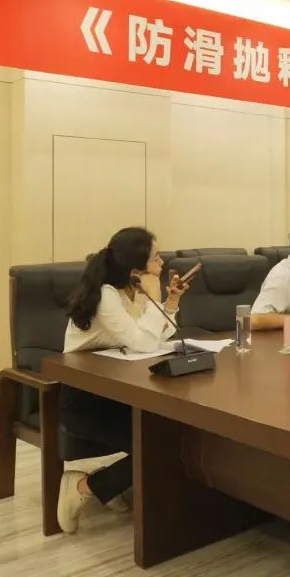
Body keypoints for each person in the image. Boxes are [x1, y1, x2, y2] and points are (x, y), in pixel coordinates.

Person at [58, 227, 191, 534]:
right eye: (156, 257)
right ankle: (83, 487)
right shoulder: (107, 296)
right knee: (161, 442)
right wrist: (155, 296)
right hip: (87, 399)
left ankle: (106, 483)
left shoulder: (132, 290)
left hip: (121, 390)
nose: (162, 263)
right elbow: (143, 343)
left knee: (174, 434)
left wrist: (170, 301)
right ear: (135, 269)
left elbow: (156, 337)